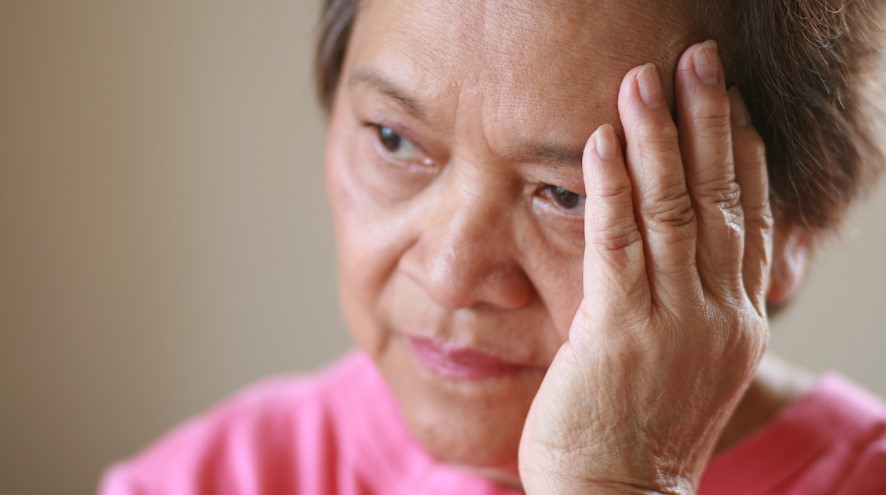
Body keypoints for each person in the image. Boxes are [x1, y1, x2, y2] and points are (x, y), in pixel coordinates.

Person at [99, 0, 886, 493]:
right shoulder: (206, 478)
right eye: (393, 140)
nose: (450, 275)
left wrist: (619, 482)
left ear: (790, 226)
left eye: (571, 194)